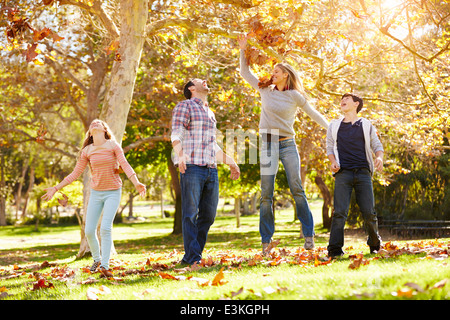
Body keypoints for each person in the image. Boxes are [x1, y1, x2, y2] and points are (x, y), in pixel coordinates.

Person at [237, 35, 329, 253]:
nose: (272, 74)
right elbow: (244, 73)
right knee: (266, 194)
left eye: (276, 72)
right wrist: (243, 50)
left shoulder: (295, 96)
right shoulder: (264, 89)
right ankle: (266, 242)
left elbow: (314, 114)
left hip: (288, 145)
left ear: (285, 75)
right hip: (268, 145)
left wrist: (333, 128)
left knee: (297, 189)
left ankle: (309, 236)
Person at [41, 119, 146, 277]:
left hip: (113, 191)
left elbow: (124, 164)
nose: (95, 123)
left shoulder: (112, 145)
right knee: (89, 230)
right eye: (92, 124)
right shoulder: (87, 150)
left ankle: (105, 265)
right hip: (96, 193)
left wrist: (136, 182)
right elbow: (75, 173)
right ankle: (96, 259)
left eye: (99, 123)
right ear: (90, 132)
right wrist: (56, 188)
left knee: (105, 228)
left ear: (104, 129)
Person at [171, 78, 240, 265]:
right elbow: (176, 133)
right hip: (192, 166)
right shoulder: (185, 106)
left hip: (211, 169)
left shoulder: (210, 112)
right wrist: (180, 155)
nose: (206, 81)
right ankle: (194, 258)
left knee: (208, 216)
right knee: (190, 214)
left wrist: (231, 162)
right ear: (192, 88)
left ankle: (191, 257)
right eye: (201, 80)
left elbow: (212, 144)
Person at [326, 93, 384, 258]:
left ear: (356, 104)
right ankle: (335, 250)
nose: (342, 101)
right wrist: (333, 162)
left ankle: (374, 244)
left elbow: (376, 145)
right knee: (339, 212)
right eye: (341, 99)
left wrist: (379, 157)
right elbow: (329, 147)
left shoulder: (366, 124)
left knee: (368, 212)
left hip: (363, 172)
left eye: (347, 99)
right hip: (343, 173)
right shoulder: (334, 125)